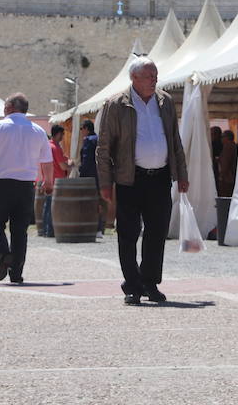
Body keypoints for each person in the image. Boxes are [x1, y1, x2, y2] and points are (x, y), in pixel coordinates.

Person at [97, 56, 189, 305]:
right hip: (130, 178)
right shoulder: (116, 104)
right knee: (128, 233)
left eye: (156, 76)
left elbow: (174, 140)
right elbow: (104, 147)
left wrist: (182, 173)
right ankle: (132, 286)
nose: (154, 80)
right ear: (134, 78)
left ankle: (149, 281)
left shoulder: (165, 101)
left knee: (157, 232)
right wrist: (105, 182)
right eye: (149, 76)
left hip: (160, 177)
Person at [0, 93, 53, 284]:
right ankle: (16, 272)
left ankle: (3, 253)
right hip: (26, 185)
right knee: (19, 230)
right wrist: (48, 182)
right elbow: (47, 161)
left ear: (9, 108)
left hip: (1, 184)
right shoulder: (38, 131)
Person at [43, 125, 71, 237]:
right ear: (58, 134)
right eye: (62, 134)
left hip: (48, 179)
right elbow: (63, 166)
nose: (63, 136)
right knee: (52, 207)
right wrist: (71, 166)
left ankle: (45, 230)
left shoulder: (47, 146)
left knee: (47, 205)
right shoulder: (55, 147)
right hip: (57, 181)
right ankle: (50, 231)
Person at [79, 119, 104, 236]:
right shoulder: (99, 139)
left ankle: (90, 227)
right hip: (100, 175)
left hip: (89, 176)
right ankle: (99, 227)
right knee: (98, 201)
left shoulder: (88, 141)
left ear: (86, 129)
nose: (81, 132)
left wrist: (81, 173)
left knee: (88, 202)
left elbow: (86, 160)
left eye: (82, 129)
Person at [218, 129, 238, 198]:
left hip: (227, 179)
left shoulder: (228, 146)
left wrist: (221, 175)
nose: (221, 139)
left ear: (227, 137)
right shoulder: (234, 146)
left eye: (222, 137)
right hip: (231, 177)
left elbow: (225, 162)